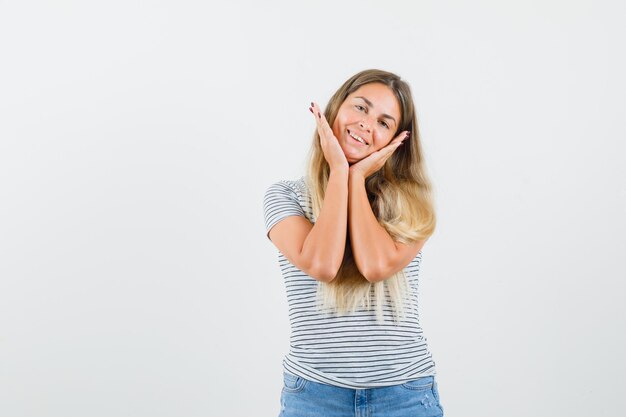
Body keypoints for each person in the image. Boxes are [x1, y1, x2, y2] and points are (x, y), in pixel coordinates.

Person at [263, 69, 444, 416]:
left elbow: (375, 267)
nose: (366, 124)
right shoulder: (285, 196)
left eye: (383, 122)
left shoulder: (413, 204)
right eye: (360, 108)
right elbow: (323, 265)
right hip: (314, 397)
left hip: (404, 395)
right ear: (335, 109)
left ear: (396, 141)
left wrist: (356, 178)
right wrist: (340, 175)